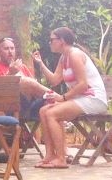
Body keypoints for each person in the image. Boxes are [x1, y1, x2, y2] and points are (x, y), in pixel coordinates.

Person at [32, 26, 108, 169]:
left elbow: (83, 85)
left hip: (94, 99)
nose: (50, 43)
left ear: (62, 41)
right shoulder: (64, 57)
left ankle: (61, 158)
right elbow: (54, 80)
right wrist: (40, 63)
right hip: (81, 99)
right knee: (44, 111)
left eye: (52, 40)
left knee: (52, 113)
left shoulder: (74, 55)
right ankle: (49, 155)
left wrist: (63, 98)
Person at [0, 36, 51, 119]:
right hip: (12, 107)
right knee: (26, 82)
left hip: (31, 105)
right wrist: (10, 73)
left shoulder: (22, 67)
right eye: (6, 49)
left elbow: (35, 86)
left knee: (50, 105)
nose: (10, 51)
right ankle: (58, 98)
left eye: (12, 48)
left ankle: (56, 101)